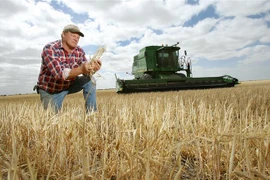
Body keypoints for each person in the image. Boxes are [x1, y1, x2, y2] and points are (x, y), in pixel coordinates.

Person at [34, 24, 102, 113]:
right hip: (51, 90)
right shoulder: (50, 48)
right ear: (63, 34)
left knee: (90, 80)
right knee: (52, 120)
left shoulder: (79, 51)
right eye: (73, 35)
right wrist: (82, 69)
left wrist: (92, 69)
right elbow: (59, 74)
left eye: (78, 37)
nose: (76, 38)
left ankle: (92, 114)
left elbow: (85, 72)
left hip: (68, 85)